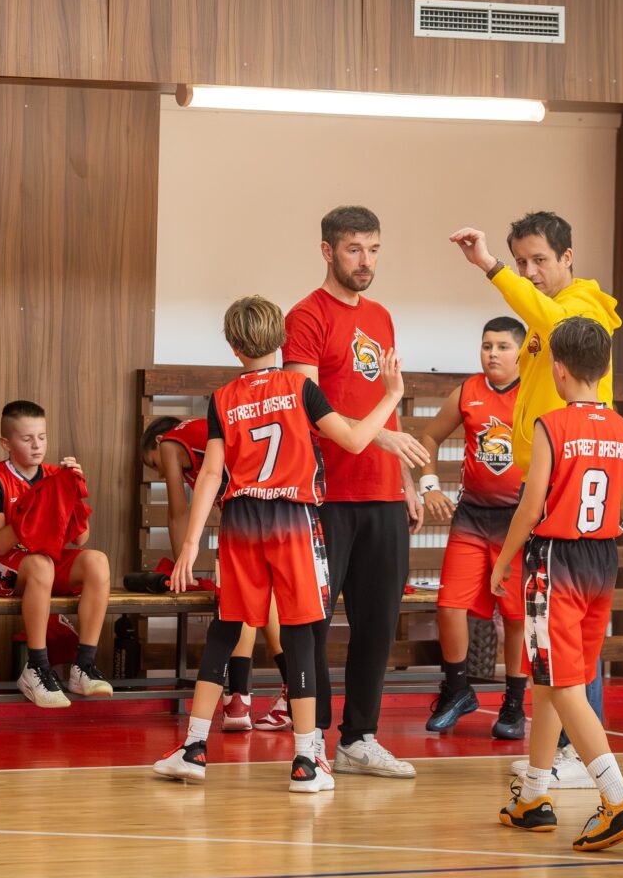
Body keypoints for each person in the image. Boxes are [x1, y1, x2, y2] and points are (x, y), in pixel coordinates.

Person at [153, 296, 402, 791]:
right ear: (283, 340)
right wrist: (391, 395)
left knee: (226, 628)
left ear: (232, 345)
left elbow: (209, 473)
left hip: (241, 519)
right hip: (292, 518)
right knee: (302, 631)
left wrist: (189, 547)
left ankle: (195, 747)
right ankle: (307, 760)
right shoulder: (299, 387)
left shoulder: (222, 397)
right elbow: (353, 440)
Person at [450, 214, 622, 786]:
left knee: (568, 640)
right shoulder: (546, 316)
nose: (530, 271)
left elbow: (545, 316)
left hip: (560, 492)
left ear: (568, 257)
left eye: (539, 260)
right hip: (550, 486)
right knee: (555, 641)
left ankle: (585, 756)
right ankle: (544, 767)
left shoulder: (581, 307)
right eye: (520, 261)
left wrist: (491, 269)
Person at [283, 205, 431, 777]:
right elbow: (311, 410)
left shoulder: (382, 317)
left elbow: (384, 399)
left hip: (382, 495)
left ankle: (359, 738)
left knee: (377, 622)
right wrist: (382, 442)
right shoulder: (306, 316)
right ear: (327, 251)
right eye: (353, 249)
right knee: (314, 623)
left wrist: (405, 480)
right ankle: (311, 739)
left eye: (373, 249)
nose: (365, 261)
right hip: (324, 495)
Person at [492, 317, 623, 851]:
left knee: (563, 685)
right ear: (601, 371)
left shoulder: (550, 424)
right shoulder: (619, 425)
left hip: (556, 559)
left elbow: (530, 505)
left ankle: (618, 799)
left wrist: (503, 560)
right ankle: (534, 796)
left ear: (557, 370)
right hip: (602, 559)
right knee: (553, 678)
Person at [419, 317, 528, 738]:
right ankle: (458, 689)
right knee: (449, 605)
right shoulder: (467, 391)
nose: (493, 353)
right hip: (472, 516)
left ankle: (515, 704)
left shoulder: (534, 395)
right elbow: (429, 437)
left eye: (502, 346)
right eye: (487, 345)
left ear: (520, 352)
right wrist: (429, 485)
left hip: (517, 520)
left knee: (515, 614)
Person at [142, 416, 287, 731]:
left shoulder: (169, 443)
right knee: (257, 597)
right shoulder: (205, 443)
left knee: (240, 596)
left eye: (152, 465)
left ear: (157, 442)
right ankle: (269, 693)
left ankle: (247, 696)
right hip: (279, 504)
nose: (159, 471)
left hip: (258, 504)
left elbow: (178, 511)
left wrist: (184, 564)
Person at [0, 401, 113, 708]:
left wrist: (71, 491)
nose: (37, 445)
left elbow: (81, 537)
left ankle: (83, 665)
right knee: (42, 565)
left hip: (41, 562)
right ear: (6, 443)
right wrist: (39, 503)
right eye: (27, 438)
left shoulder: (54, 474)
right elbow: (1, 543)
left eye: (42, 437)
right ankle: (37, 666)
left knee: (97, 561)